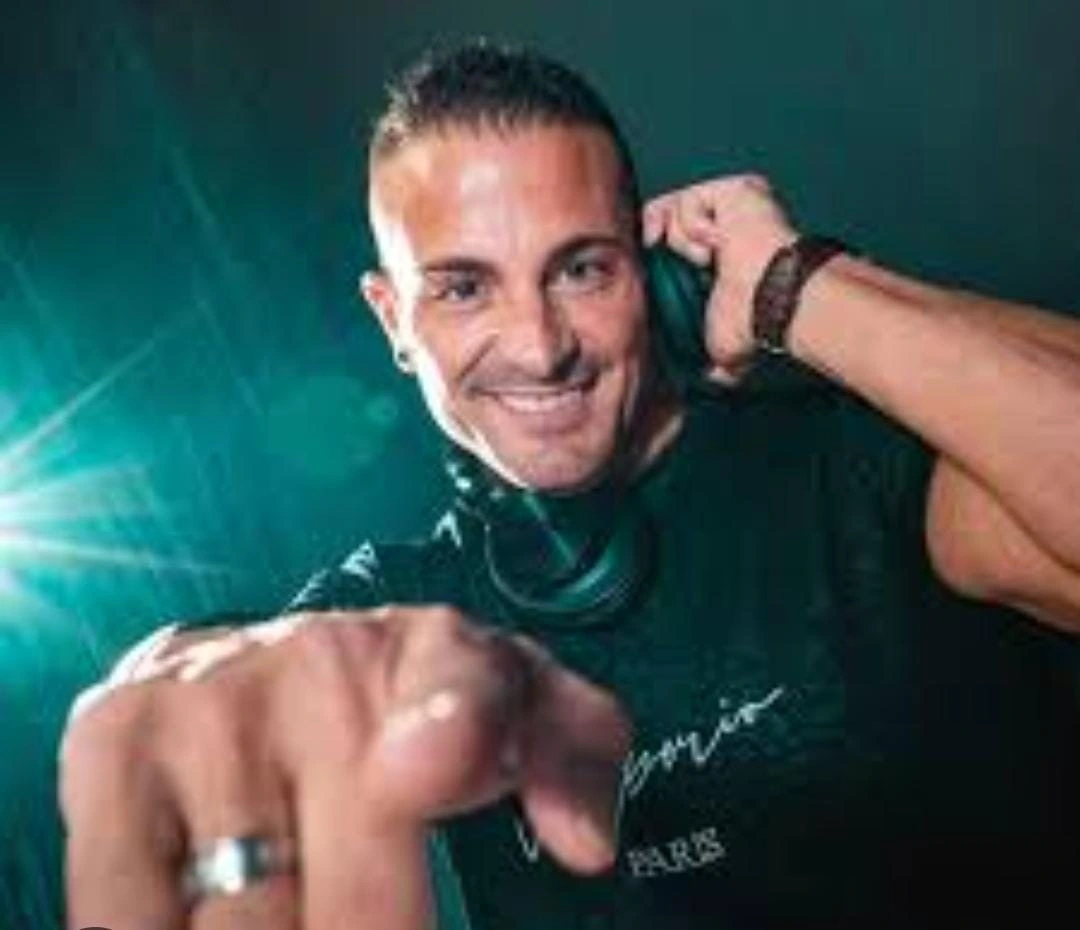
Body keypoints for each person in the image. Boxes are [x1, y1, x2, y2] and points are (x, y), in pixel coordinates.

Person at [60, 39, 1080, 930]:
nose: (540, 346)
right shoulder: (406, 608)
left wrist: (795, 286)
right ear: (392, 321)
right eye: (464, 288)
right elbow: (227, 672)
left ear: (652, 271)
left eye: (581, 269)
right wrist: (178, 682)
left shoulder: (847, 472)